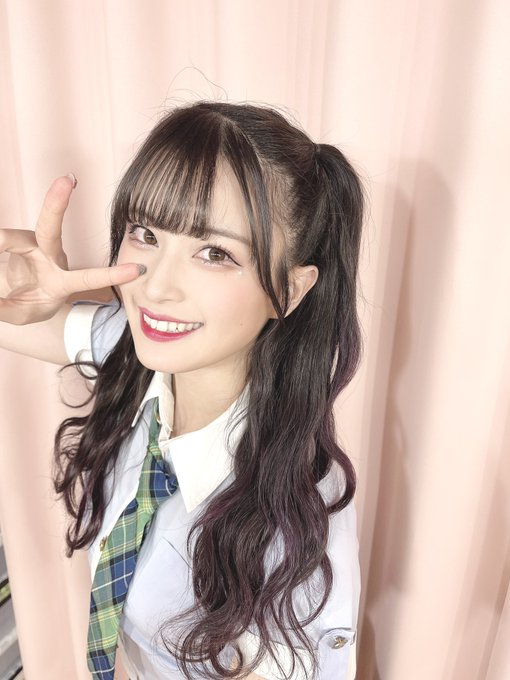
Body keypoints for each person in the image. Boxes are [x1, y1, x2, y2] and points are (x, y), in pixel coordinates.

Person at [0, 102, 364, 680]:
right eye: (145, 234)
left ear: (291, 291)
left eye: (214, 253)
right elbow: (17, 320)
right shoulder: (137, 355)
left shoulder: (296, 523)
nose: (155, 288)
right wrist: (17, 284)